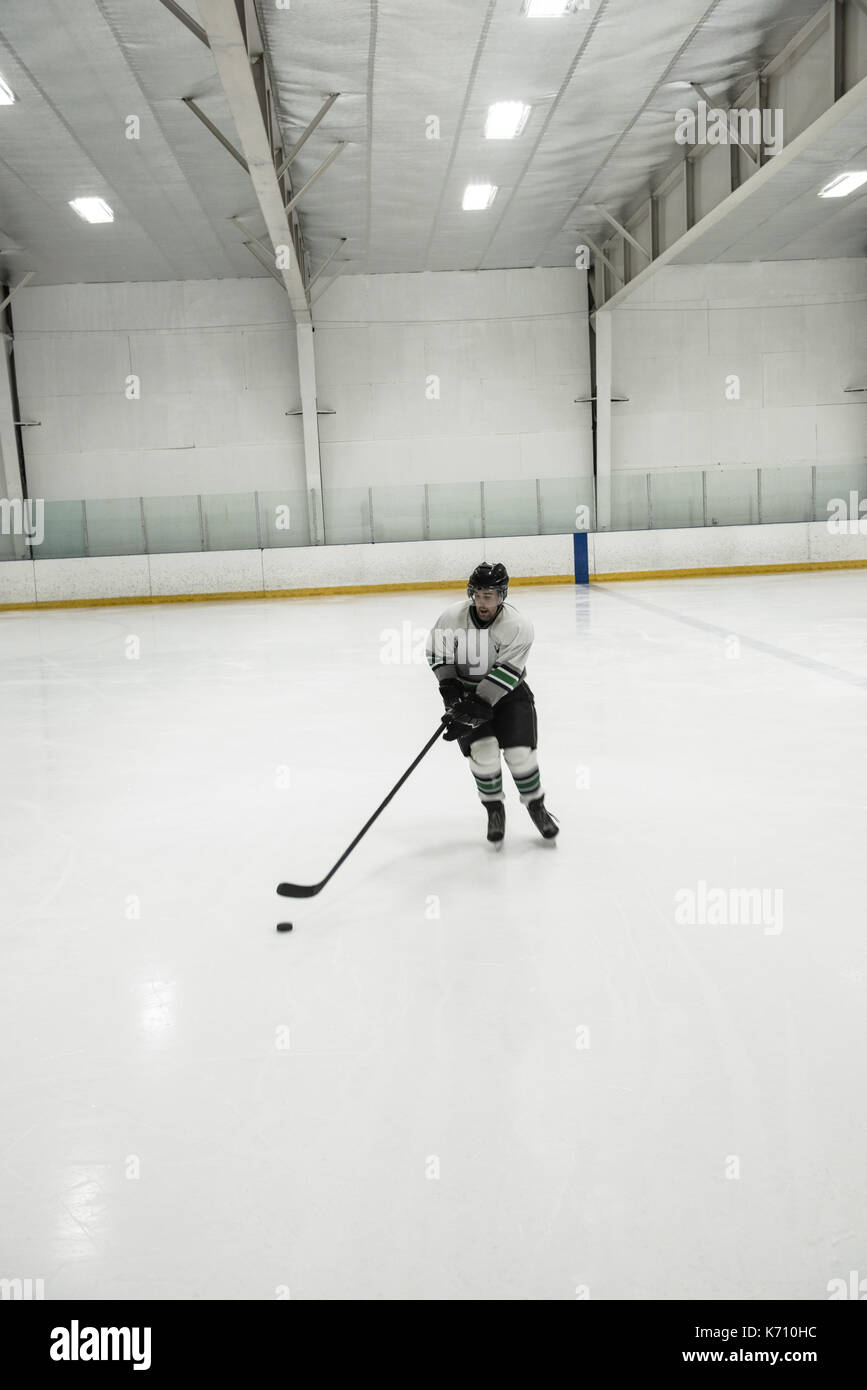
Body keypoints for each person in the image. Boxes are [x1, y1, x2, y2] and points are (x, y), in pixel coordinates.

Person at [425, 562, 559, 843]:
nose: (482, 602)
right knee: (483, 753)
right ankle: (494, 809)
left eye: (490, 596)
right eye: (478, 594)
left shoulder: (518, 626)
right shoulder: (452, 618)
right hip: (466, 696)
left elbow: (507, 674)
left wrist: (475, 708)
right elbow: (439, 655)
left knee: (520, 755)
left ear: (502, 596)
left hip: (510, 696)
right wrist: (452, 697)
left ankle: (537, 806)